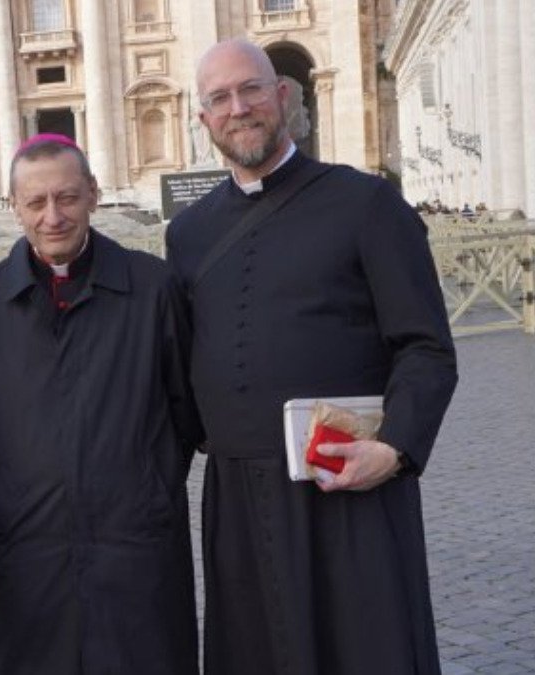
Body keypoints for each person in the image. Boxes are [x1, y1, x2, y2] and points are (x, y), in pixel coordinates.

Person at [165, 39, 458, 675]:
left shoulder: (366, 204)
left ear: (283, 96)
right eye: (219, 98)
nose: (238, 108)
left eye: (251, 90)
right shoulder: (187, 235)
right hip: (239, 501)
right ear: (203, 119)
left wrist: (396, 448)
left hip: (349, 485)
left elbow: (427, 347)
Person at [0, 134, 202, 675]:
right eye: (35, 202)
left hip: (136, 549)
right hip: (23, 557)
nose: (52, 216)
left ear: (93, 195)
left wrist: (147, 486)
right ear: (14, 207)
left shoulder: (152, 289)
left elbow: (186, 412)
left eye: (67, 197)